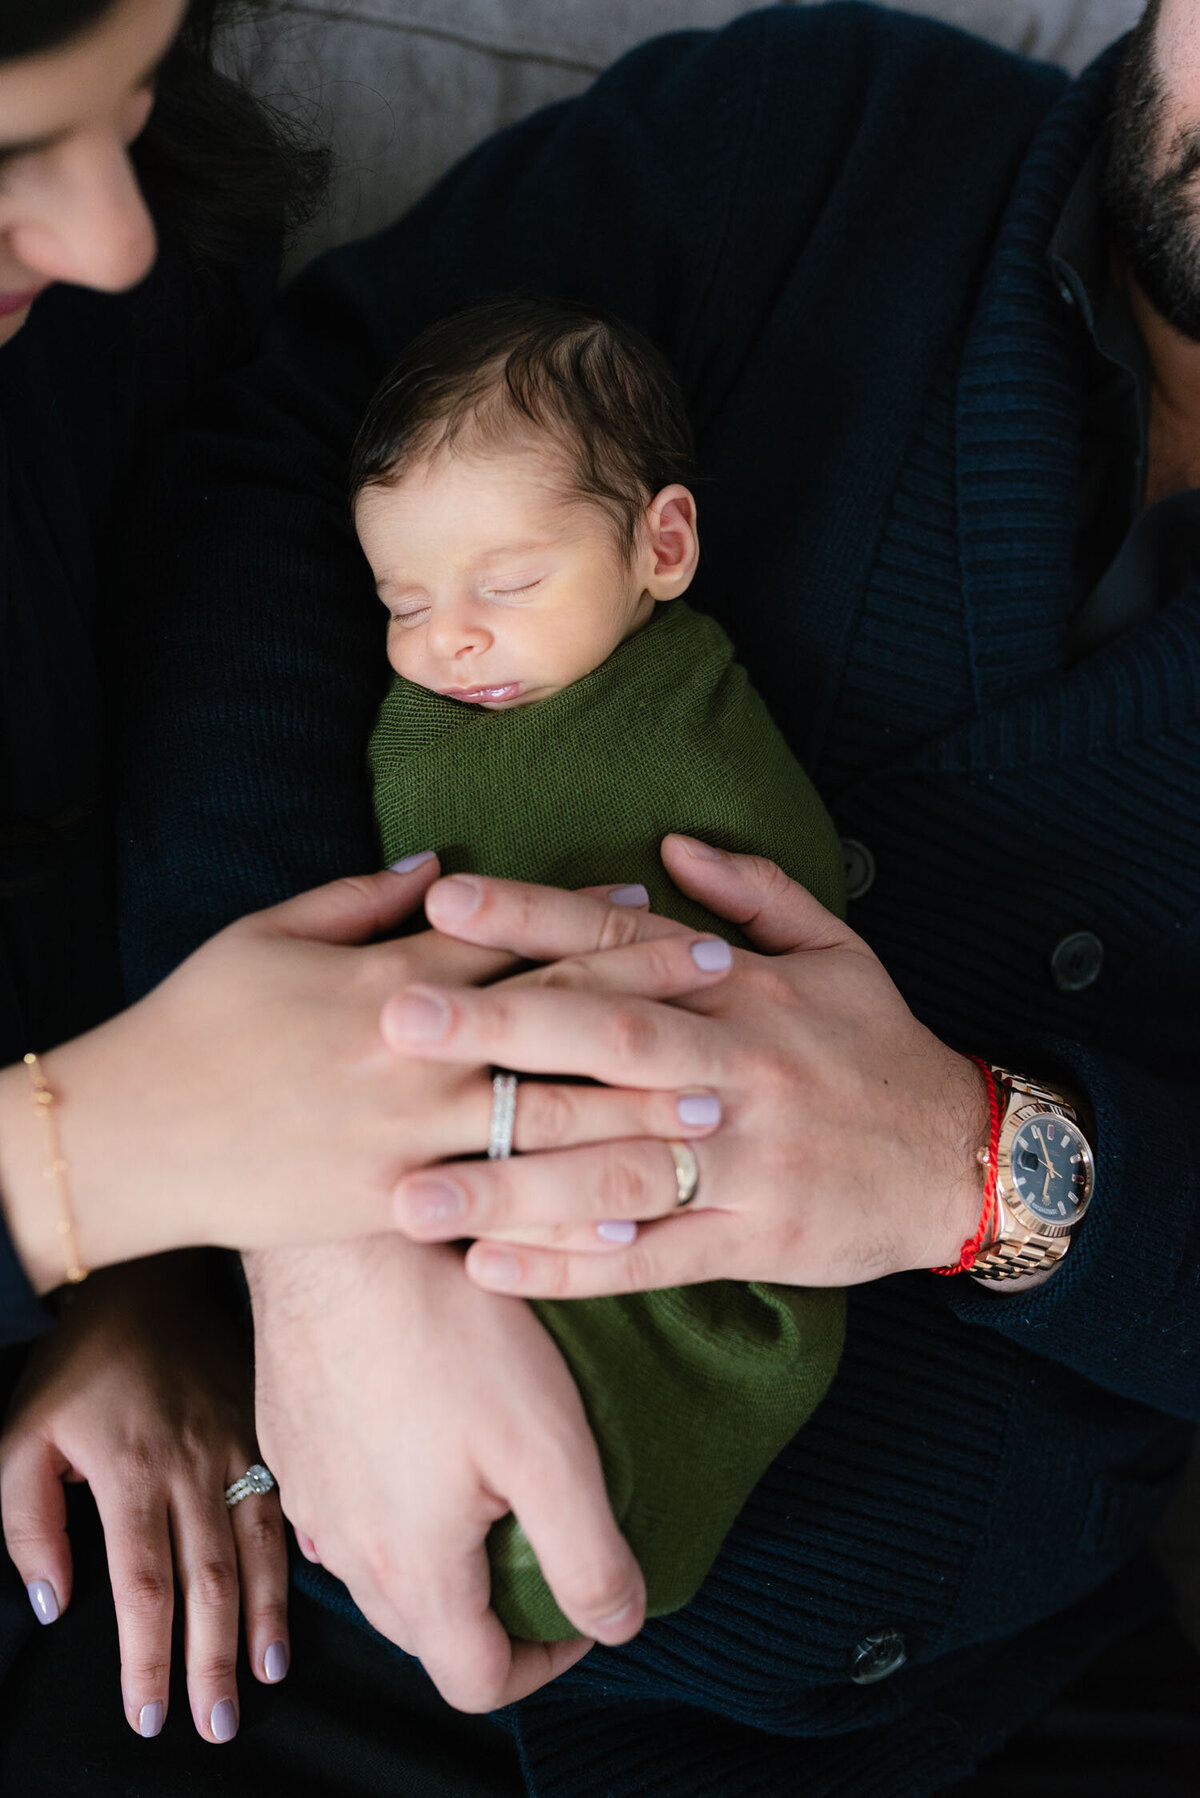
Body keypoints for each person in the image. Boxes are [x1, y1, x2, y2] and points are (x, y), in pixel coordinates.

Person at [5, 0, 1198, 1794]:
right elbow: (268, 488)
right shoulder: (813, 135)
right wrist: (309, 1216)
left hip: (955, 1698)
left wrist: (997, 1172)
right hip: (294, 1563)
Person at [0, 0, 699, 1755]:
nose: (115, 233)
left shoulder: (121, 306)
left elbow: (229, 566)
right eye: (12, 152)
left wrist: (157, 1268)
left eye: (136, 108)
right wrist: (81, 1172)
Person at [358, 293, 847, 1637]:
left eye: (505, 583)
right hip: (461, 1133)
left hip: (683, 1119)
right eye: (400, 599)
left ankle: (575, 1525)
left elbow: (799, 923)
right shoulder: (425, 720)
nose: (445, 637)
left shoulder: (688, 714)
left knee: (642, 1314)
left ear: (663, 544)